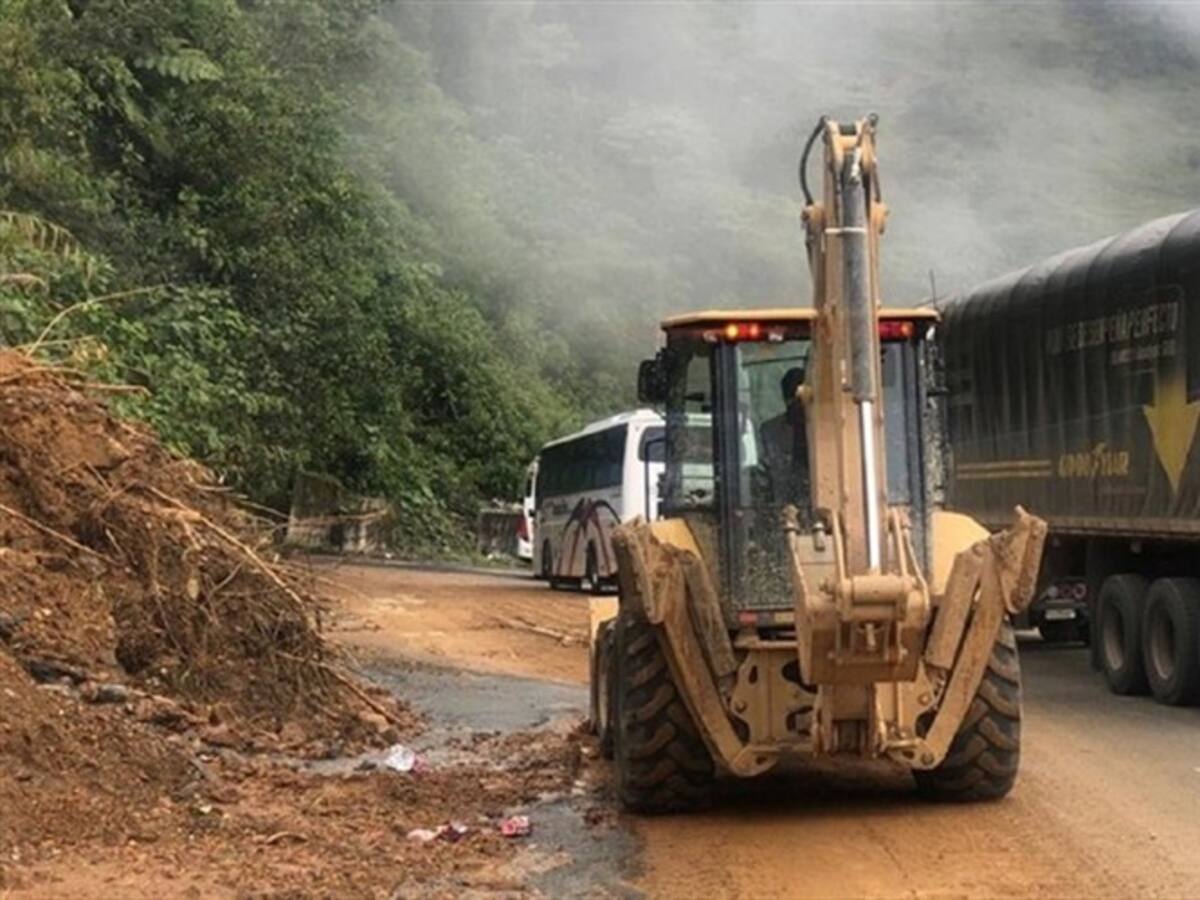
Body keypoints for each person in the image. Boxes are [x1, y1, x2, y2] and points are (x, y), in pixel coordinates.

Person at [758, 366, 810, 507]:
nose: (797, 407)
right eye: (792, 401)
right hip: (781, 507)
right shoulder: (769, 433)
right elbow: (763, 475)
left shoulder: (828, 435)